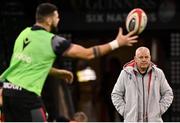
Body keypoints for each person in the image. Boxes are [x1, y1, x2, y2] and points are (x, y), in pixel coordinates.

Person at [0, 3, 138, 121]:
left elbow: (29, 64)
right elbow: (88, 53)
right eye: (56, 17)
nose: (58, 20)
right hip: (27, 97)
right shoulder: (52, 40)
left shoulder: (24, 34)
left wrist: (57, 72)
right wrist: (117, 43)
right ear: (49, 20)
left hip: (7, 93)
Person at [111, 46, 173, 122]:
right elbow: (116, 94)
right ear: (135, 59)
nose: (144, 60)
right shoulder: (125, 74)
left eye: (146, 57)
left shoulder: (158, 73)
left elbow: (168, 93)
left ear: (150, 58)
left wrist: (159, 110)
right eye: (141, 57)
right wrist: (125, 111)